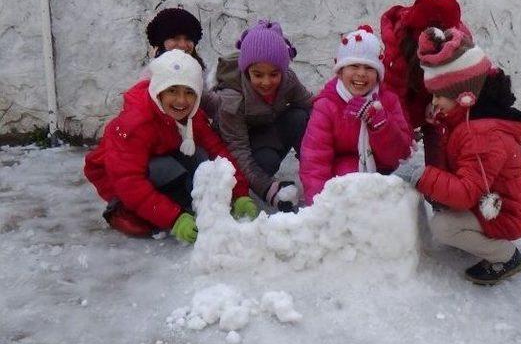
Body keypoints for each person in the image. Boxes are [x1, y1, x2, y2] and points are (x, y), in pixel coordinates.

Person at [84, 50, 258, 243]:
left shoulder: (192, 116)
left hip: (160, 158)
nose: (181, 101)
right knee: (164, 177)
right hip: (114, 176)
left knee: (200, 156)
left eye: (189, 92)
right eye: (172, 90)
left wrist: (239, 193)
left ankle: (173, 202)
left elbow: (218, 152)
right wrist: (174, 218)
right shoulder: (135, 123)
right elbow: (129, 180)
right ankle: (120, 209)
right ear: (159, 90)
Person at [410, 26, 521, 285]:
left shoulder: (480, 133)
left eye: (439, 95)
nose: (434, 102)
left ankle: (506, 256)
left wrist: (422, 177)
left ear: (464, 96)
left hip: (506, 211)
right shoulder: (468, 118)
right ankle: (478, 236)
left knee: (443, 226)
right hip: (497, 201)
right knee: (445, 213)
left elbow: (467, 192)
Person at [201, 20, 313, 212]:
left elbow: (311, 105)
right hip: (240, 144)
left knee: (300, 117)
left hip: (266, 129)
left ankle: (313, 173)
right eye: (258, 74)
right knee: (266, 162)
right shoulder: (231, 99)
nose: (266, 82)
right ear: (246, 71)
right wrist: (268, 189)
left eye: (274, 74)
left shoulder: (288, 80)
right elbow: (239, 151)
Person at [299, 25, 412, 205]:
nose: (361, 73)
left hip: (382, 178)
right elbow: (315, 161)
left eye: (369, 67)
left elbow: (398, 156)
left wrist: (381, 126)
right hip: (340, 185)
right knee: (348, 170)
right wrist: (318, 207)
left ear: (378, 73)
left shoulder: (388, 101)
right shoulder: (327, 105)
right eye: (354, 66)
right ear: (341, 71)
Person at [380, 0, 471, 169]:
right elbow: (394, 99)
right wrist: (405, 139)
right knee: (393, 153)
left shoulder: (458, 44)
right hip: (405, 102)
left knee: (443, 153)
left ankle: (441, 178)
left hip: (435, 103)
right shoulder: (398, 47)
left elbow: (459, 96)